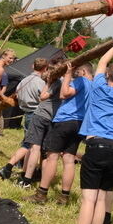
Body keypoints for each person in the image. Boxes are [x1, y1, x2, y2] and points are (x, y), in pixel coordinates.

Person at [54, 35, 113, 224]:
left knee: (88, 197)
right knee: (101, 197)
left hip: (96, 145)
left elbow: (101, 63)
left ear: (107, 76)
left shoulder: (98, 87)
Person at [28, 61, 93, 205]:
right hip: (80, 124)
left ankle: (41, 194)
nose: (76, 73)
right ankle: (64, 197)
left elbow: (64, 94)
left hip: (65, 121)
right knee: (69, 159)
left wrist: (69, 75)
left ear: (83, 72)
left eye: (78, 71)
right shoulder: (93, 85)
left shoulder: (81, 80)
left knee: (52, 157)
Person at [0, 57, 51, 181]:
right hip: (37, 114)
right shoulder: (41, 83)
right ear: (45, 68)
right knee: (31, 145)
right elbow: (44, 97)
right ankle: (13, 169)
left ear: (33, 66)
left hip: (26, 112)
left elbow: (18, 95)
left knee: (28, 143)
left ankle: (22, 168)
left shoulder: (24, 80)